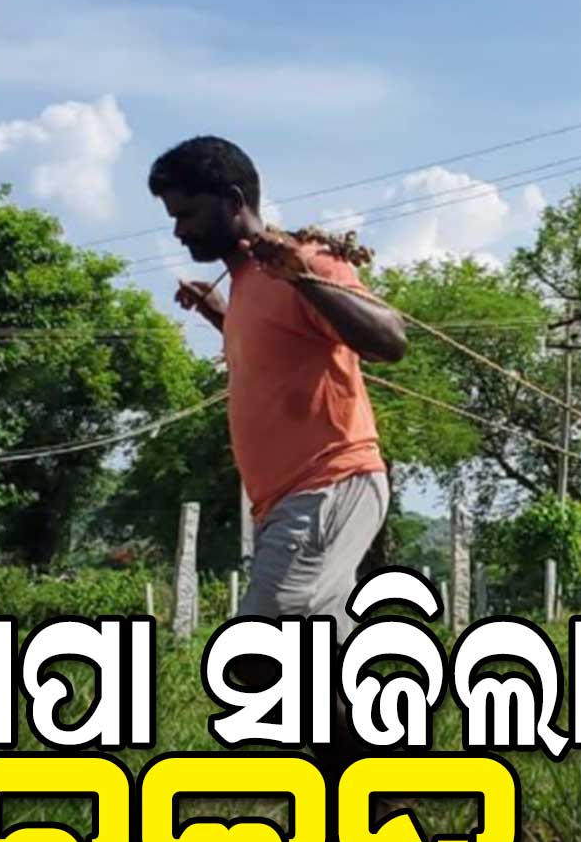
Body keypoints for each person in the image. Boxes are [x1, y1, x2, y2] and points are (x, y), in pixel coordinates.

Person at [148, 135, 407, 779]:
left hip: (330, 482)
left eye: (187, 213)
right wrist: (216, 314)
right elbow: (280, 359)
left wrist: (305, 276)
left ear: (234, 201)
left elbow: (391, 339)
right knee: (320, 649)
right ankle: (378, 792)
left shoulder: (304, 262)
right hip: (287, 499)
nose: (179, 231)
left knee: (261, 647)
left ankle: (362, 787)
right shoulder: (244, 287)